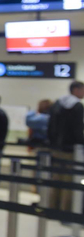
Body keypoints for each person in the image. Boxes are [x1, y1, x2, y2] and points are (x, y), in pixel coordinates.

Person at [47, 81, 84, 211]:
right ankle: (65, 210)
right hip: (70, 149)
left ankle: (52, 206)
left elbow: (50, 126)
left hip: (56, 148)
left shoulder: (57, 104)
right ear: (76, 90)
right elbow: (77, 130)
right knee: (68, 181)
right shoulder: (77, 106)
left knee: (56, 178)